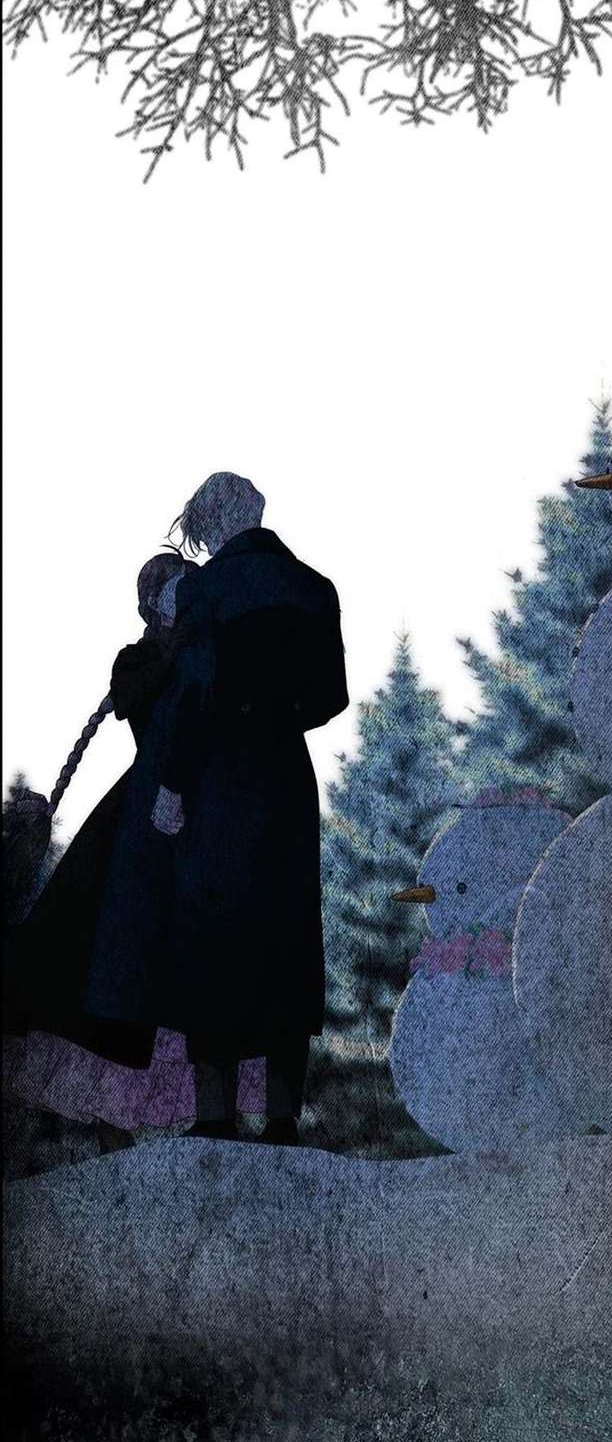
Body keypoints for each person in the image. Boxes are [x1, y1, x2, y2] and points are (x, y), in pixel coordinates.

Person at [5, 469, 348, 1137]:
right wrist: (274, 719)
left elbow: (195, 690)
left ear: (215, 521)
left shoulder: (208, 589)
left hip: (215, 780)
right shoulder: (316, 587)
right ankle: (282, 1120)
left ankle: (216, 1118)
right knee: (283, 940)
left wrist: (173, 783)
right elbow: (331, 696)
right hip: (285, 777)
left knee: (209, 941)